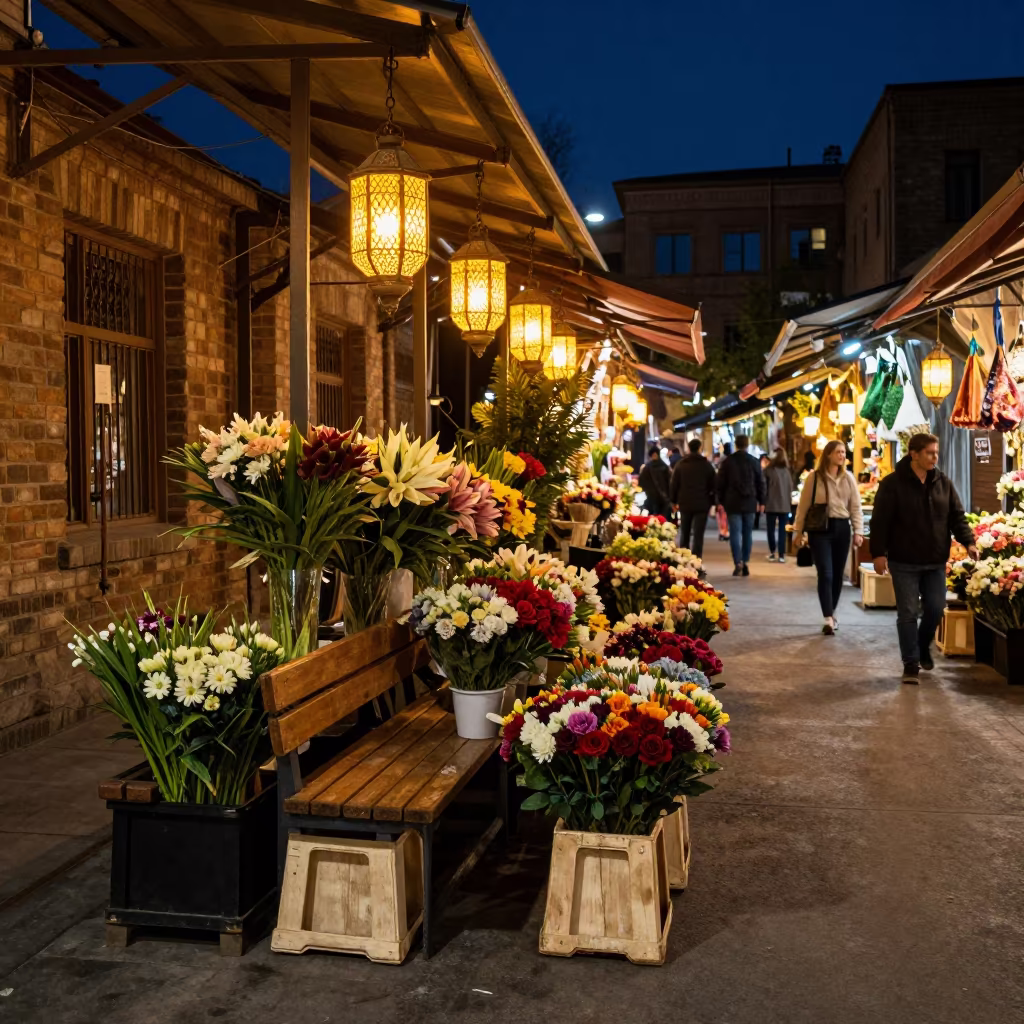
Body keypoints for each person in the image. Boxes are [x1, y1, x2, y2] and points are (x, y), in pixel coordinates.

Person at [870, 432, 978, 683]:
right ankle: (910, 663)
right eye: (929, 452)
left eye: (936, 452)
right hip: (903, 560)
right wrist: (878, 553)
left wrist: (969, 542)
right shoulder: (892, 484)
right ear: (914, 454)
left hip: (934, 560)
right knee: (907, 612)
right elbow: (880, 522)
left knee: (935, 608)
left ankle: (921, 645)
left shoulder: (943, 482)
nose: (935, 457)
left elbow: (956, 517)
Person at [793, 440, 863, 636]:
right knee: (826, 572)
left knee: (838, 574)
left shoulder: (848, 478)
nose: (842, 455)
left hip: (842, 528)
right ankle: (827, 617)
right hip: (819, 530)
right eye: (838, 452)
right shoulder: (814, 478)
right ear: (829, 455)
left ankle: (832, 614)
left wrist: (858, 531)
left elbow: (855, 507)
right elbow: (803, 507)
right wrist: (797, 532)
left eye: (843, 452)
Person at [716, 435, 765, 577]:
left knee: (735, 533)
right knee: (747, 533)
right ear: (747, 445)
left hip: (732, 502)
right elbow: (760, 482)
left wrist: (721, 501)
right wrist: (762, 501)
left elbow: (720, 483)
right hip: (749, 501)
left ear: (736, 444)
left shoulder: (728, 462)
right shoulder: (754, 462)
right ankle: (745, 561)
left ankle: (737, 562)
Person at [670, 438, 716, 558]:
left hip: (685, 503)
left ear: (689, 449)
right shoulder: (706, 465)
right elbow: (714, 484)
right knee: (698, 534)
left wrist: (673, 501)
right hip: (702, 503)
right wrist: (713, 501)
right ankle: (697, 559)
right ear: (700, 448)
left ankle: (684, 558)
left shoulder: (681, 465)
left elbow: (674, 484)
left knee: (685, 531)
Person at [763, 448, 794, 563]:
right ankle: (781, 555)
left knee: (771, 530)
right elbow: (791, 487)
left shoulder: (768, 470)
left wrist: (762, 501)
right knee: (782, 530)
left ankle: (772, 552)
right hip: (785, 505)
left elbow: (763, 487)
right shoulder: (787, 471)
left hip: (771, 504)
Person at [638, 446, 672, 518]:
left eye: (655, 455)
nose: (654, 456)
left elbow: (641, 482)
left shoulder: (648, 467)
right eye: (653, 455)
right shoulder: (663, 466)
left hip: (658, 497)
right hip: (659, 497)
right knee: (660, 517)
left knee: (655, 517)